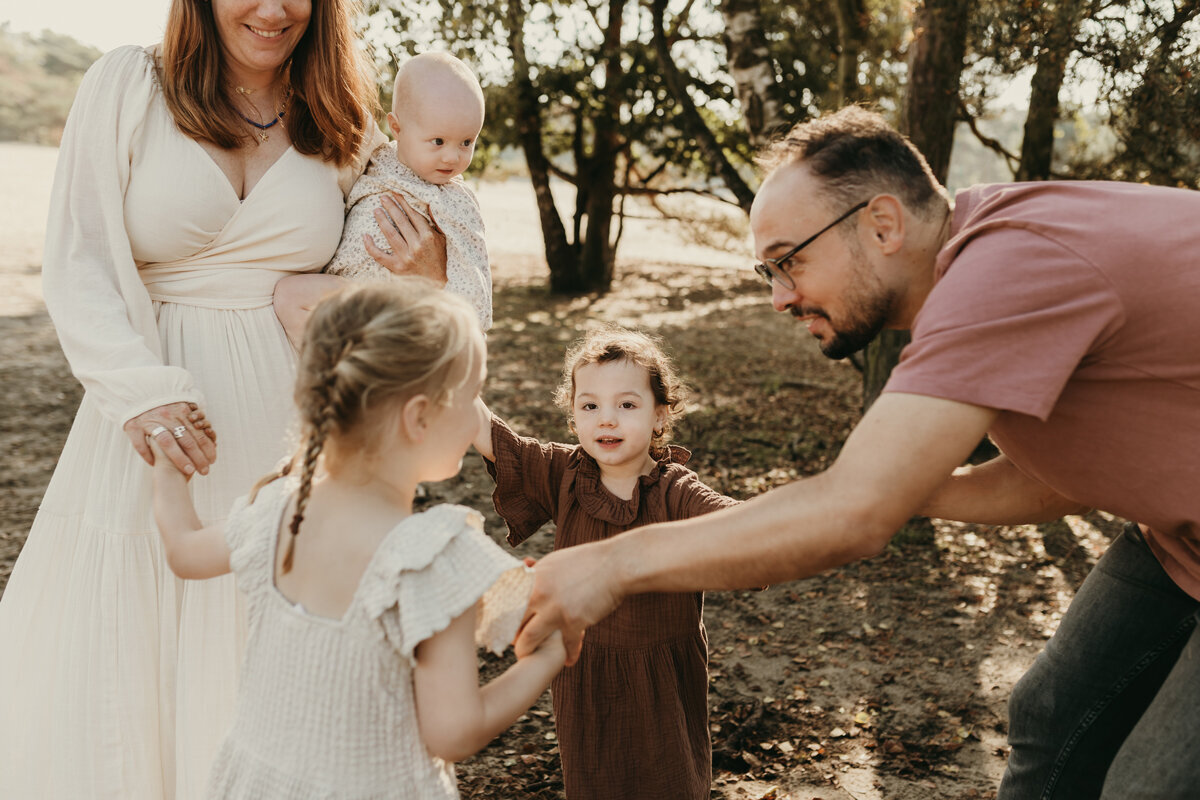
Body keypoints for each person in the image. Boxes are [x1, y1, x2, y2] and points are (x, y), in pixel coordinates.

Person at [512, 106, 1200, 798]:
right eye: (768, 273)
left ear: (883, 225)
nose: (780, 297)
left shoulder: (1010, 266)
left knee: (1149, 786)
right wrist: (902, 480)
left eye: (791, 261)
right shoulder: (983, 263)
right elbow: (1058, 483)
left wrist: (611, 564)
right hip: (1178, 542)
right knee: (1050, 716)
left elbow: (855, 516)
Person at [0, 1, 447, 797]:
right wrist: (143, 395)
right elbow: (79, 261)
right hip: (151, 421)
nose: (273, 9)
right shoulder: (129, 86)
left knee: (283, 649)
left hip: (295, 429)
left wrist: (423, 270)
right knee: (127, 650)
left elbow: (376, 286)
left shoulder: (342, 119)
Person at [148, 279, 565, 798]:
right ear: (419, 416)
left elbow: (184, 552)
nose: (481, 410)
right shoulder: (432, 554)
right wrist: (544, 661)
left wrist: (170, 472)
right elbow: (453, 732)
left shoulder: (280, 507)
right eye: (474, 393)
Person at [473, 326, 738, 799]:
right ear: (573, 417)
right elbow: (484, 429)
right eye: (590, 405)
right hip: (585, 675)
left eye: (627, 405)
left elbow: (745, 529)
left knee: (670, 783)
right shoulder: (564, 473)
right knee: (596, 783)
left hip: (662, 681)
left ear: (660, 415)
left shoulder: (675, 491)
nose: (606, 420)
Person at [273, 51, 491, 345]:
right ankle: (326, 370)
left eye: (467, 142)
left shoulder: (456, 200)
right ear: (397, 128)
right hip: (352, 292)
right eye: (438, 141)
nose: (452, 157)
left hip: (398, 307)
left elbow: (473, 273)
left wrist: (465, 327)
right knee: (289, 295)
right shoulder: (377, 157)